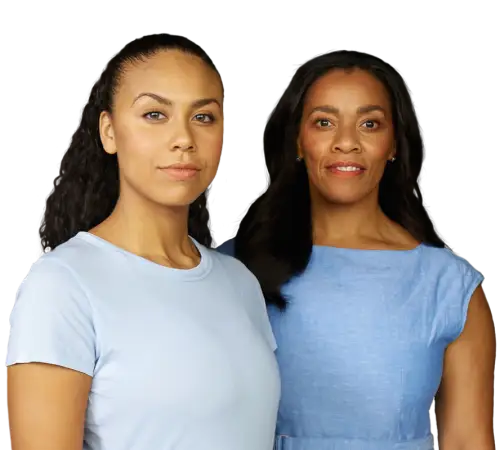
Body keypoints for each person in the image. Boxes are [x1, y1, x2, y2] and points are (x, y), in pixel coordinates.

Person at [6, 32, 280, 450]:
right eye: (155, 114)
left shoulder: (239, 282)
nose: (184, 138)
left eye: (203, 117)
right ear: (109, 132)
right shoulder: (61, 286)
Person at [217, 49, 496, 449]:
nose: (346, 142)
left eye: (369, 123)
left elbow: (469, 440)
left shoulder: (450, 287)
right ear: (298, 141)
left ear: (394, 144)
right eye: (324, 122)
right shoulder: (232, 269)